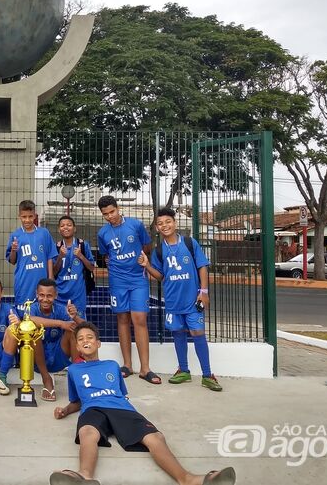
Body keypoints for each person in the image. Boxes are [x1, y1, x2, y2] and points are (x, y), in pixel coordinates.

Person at [51, 322, 236, 485]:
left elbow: (121, 395)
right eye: (81, 339)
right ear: (77, 345)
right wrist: (65, 410)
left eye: (90, 337)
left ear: (98, 343)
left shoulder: (112, 365)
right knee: (87, 432)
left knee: (155, 437)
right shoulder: (74, 370)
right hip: (93, 408)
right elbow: (77, 401)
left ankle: (187, 479)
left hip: (120, 408)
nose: (86, 341)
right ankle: (85, 476)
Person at [137, 207, 222, 392]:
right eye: (160, 223)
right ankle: (183, 370)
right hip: (173, 302)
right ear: (157, 228)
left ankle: (207, 375)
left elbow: (202, 267)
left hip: (193, 301)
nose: (164, 225)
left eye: (168, 221)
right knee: (178, 333)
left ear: (175, 223)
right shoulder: (159, 251)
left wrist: (204, 291)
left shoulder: (190, 244)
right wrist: (147, 265)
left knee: (198, 333)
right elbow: (160, 276)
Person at [96, 196, 159, 385]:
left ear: (118, 208)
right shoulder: (102, 233)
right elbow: (105, 255)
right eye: (105, 214)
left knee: (139, 319)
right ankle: (127, 365)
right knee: (122, 318)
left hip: (138, 278)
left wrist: (144, 263)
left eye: (112, 212)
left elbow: (146, 246)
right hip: (117, 281)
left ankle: (145, 368)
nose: (109, 217)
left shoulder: (135, 225)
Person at [0, 278, 83, 401]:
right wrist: (61, 323)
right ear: (36, 294)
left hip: (58, 355)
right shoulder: (31, 308)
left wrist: (75, 317)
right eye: (41, 295)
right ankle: (46, 379)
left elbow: (86, 328)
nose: (45, 299)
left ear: (56, 295)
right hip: (37, 359)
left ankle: (77, 376)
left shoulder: (61, 309)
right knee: (32, 330)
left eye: (49, 296)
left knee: (74, 330)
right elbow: (31, 320)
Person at [6, 200, 57, 312]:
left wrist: (50, 277)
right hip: (24, 282)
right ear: (19, 216)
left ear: (35, 215)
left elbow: (50, 256)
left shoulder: (44, 233)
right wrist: (14, 250)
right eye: (24, 217)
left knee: (43, 312)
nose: (27, 220)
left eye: (30, 216)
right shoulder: (16, 235)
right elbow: (12, 260)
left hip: (42, 281)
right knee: (25, 316)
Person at [55, 216, 96, 319]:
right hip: (60, 294)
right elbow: (53, 272)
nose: (66, 227)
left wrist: (81, 256)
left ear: (74, 228)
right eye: (62, 225)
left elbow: (91, 268)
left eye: (69, 225)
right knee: (62, 325)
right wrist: (60, 257)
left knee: (78, 325)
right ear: (58, 229)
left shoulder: (83, 245)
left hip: (78, 295)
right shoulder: (56, 247)